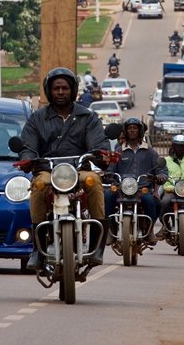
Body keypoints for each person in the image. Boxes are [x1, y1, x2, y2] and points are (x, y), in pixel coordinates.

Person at [19, 67, 110, 270]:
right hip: (48, 171)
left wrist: (102, 154)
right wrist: (27, 159)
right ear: (49, 91)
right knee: (39, 185)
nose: (61, 92)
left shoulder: (88, 117)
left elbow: (99, 144)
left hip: (79, 170)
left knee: (94, 181)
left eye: (65, 88)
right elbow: (28, 146)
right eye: (56, 88)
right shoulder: (37, 119)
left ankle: (97, 247)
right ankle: (38, 249)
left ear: (73, 90)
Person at [104, 118, 166, 244]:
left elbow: (161, 169)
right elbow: (110, 168)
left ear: (140, 131)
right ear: (125, 131)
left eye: (135, 128)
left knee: (151, 202)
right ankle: (112, 229)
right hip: (121, 187)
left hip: (142, 188)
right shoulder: (118, 151)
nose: (132, 130)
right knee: (108, 196)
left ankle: (149, 232)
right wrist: (106, 173)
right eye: (129, 128)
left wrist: (161, 176)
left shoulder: (150, 151)